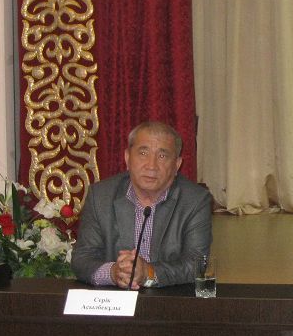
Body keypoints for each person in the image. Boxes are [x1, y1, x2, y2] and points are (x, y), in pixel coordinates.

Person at [72, 121, 212, 289]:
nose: (151, 166)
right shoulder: (100, 196)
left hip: (169, 298)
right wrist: (113, 272)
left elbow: (196, 264)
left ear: (177, 165)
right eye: (143, 153)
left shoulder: (195, 200)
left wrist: (148, 273)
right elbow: (82, 259)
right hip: (113, 299)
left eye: (162, 156)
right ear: (127, 158)